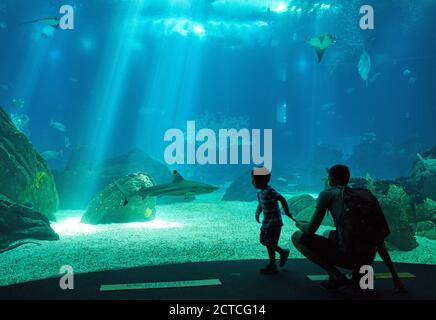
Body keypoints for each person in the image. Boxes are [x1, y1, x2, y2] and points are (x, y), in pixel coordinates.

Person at [292, 164, 407, 293]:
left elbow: (311, 229)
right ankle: (360, 272)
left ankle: (337, 276)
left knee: (296, 236)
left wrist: (299, 223)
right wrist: (396, 279)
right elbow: (379, 238)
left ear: (331, 179)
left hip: (347, 257)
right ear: (348, 179)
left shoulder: (327, 194)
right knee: (327, 232)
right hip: (367, 257)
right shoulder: (366, 194)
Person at [252, 167, 295, 275]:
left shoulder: (269, 191)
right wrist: (257, 213)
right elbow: (260, 204)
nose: (252, 182)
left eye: (254, 179)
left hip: (274, 223)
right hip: (267, 222)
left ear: (261, 180)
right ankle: (281, 254)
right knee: (265, 241)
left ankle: (273, 264)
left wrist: (287, 212)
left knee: (270, 242)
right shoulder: (260, 192)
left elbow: (282, 198)